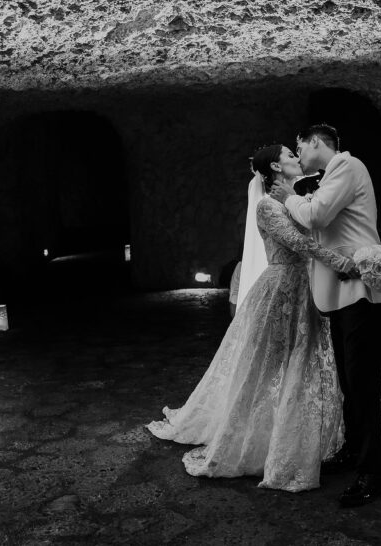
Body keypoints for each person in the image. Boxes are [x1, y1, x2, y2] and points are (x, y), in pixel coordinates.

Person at [147, 145, 356, 492]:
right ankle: (252, 440)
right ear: (275, 165)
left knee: (302, 363)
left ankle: (294, 438)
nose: (296, 157)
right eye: (290, 154)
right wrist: (342, 263)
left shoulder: (295, 200)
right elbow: (299, 243)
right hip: (280, 290)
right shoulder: (267, 206)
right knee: (267, 365)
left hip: (307, 289)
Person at [270, 124, 381, 508]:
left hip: (361, 294)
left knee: (363, 386)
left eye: (299, 147)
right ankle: (354, 451)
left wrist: (290, 197)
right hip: (341, 295)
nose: (298, 155)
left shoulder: (347, 166)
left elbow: (317, 216)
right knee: (348, 384)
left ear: (315, 142)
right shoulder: (328, 177)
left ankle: (373, 473)